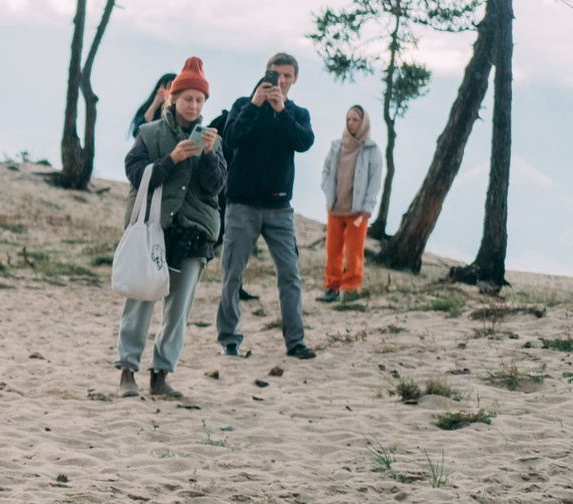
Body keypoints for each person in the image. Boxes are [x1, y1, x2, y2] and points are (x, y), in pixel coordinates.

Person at [116, 57, 227, 400]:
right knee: (141, 299)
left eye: (199, 100)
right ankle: (126, 372)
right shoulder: (149, 134)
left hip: (196, 233)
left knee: (178, 310)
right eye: (187, 98)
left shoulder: (214, 140)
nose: (193, 106)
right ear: (173, 99)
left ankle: (160, 375)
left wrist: (208, 155)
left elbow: (217, 186)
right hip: (155, 228)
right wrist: (171, 160)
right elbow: (134, 173)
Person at [215, 51, 317, 360]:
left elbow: (304, 142)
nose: (281, 81)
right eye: (276, 75)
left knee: (290, 275)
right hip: (241, 204)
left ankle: (295, 342)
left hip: (279, 207)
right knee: (232, 273)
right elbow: (231, 138)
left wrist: (281, 110)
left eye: (287, 76)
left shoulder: (297, 113)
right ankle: (229, 340)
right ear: (266, 74)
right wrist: (255, 104)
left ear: (295, 79)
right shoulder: (243, 106)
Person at [319, 105, 383, 304]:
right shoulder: (337, 146)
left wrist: (368, 206)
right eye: (349, 119)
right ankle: (332, 287)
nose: (351, 123)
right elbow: (326, 170)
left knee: (354, 252)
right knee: (333, 251)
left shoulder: (372, 150)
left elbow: (375, 180)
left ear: (363, 123)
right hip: (336, 208)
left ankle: (351, 288)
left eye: (356, 120)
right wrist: (328, 191)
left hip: (357, 211)